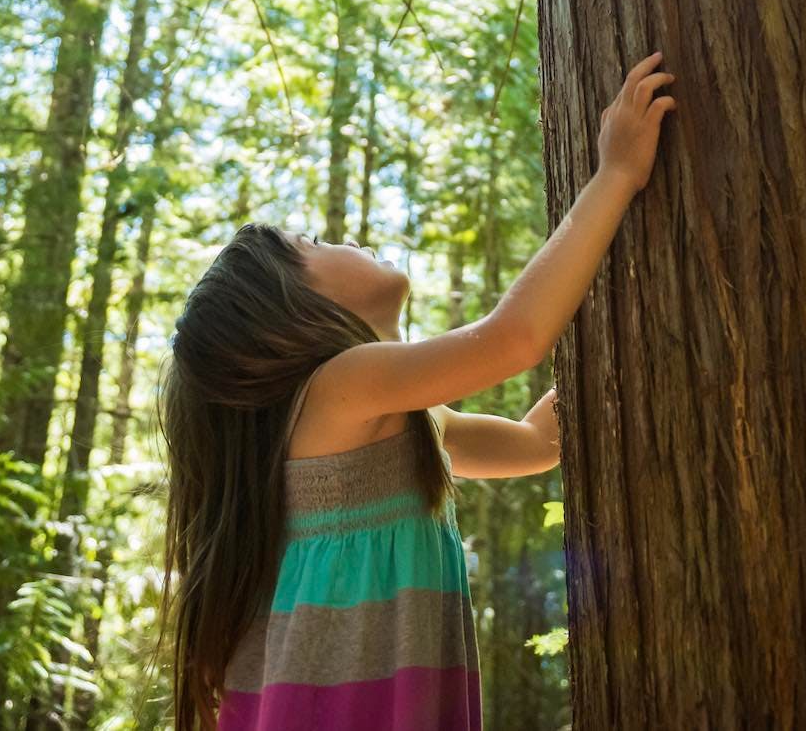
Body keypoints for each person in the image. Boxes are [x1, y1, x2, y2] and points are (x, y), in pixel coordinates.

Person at [159, 51, 677, 730]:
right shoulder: (341, 385)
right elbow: (512, 340)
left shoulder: (394, 420)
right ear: (290, 308)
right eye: (312, 241)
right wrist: (615, 175)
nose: (340, 237)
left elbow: (535, 443)